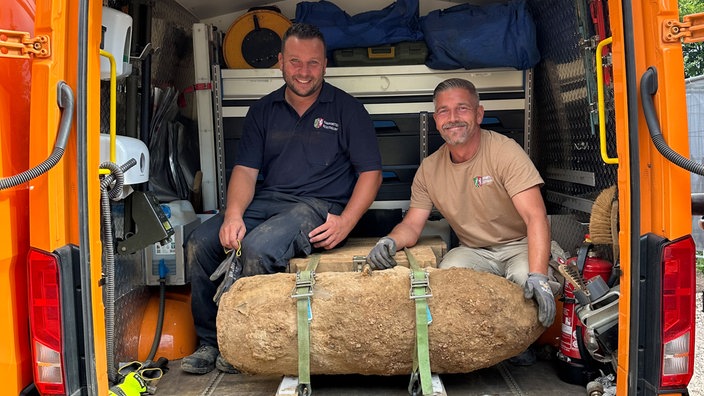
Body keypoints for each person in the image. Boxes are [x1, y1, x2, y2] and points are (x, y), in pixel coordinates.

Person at [181, 23, 383, 375]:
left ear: (325, 65)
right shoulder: (262, 111)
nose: (304, 72)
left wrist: (347, 222)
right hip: (269, 202)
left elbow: (371, 174)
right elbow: (245, 171)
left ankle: (245, 345)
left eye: (313, 63)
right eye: (295, 62)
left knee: (258, 248)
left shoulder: (348, 110)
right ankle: (211, 341)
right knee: (199, 242)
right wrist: (232, 215)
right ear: (280, 63)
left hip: (321, 207)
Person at [366, 78, 555, 333]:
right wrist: (388, 241)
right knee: (448, 277)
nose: (452, 117)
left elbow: (536, 217)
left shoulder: (505, 152)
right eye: (444, 111)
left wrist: (539, 275)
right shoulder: (429, 169)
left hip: (519, 245)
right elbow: (412, 225)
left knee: (526, 282)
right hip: (475, 251)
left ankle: (523, 347)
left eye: (462, 108)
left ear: (479, 114)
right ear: (436, 120)